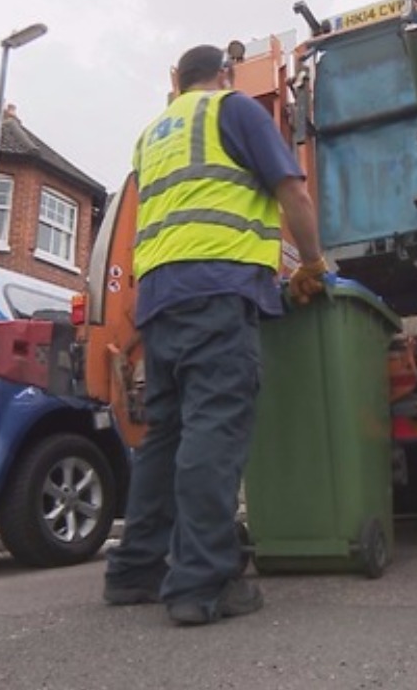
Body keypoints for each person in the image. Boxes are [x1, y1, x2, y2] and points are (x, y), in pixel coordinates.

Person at [103, 44, 328, 624]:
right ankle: (202, 583)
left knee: (166, 437)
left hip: (159, 299)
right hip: (216, 294)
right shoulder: (235, 109)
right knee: (214, 428)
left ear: (177, 82)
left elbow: (185, 210)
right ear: (225, 76)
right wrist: (311, 264)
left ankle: (135, 571)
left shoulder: (151, 135)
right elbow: (292, 193)